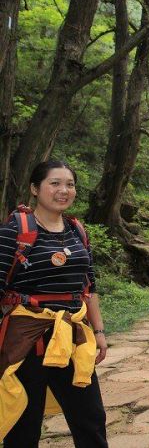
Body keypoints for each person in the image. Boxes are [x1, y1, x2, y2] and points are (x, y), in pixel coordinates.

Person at [0, 160, 108, 446]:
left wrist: (99, 331)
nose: (64, 190)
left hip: (72, 337)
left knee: (91, 419)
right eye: (55, 183)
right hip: (27, 341)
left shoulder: (76, 230)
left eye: (70, 185)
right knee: (23, 426)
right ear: (35, 189)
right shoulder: (16, 229)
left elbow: (89, 285)